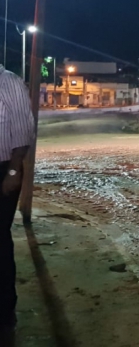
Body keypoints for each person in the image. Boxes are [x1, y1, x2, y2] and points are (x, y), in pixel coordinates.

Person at [0, 65, 35, 338]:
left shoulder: (8, 81)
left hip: (4, 171)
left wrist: (13, 171)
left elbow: (23, 130)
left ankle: (4, 311)